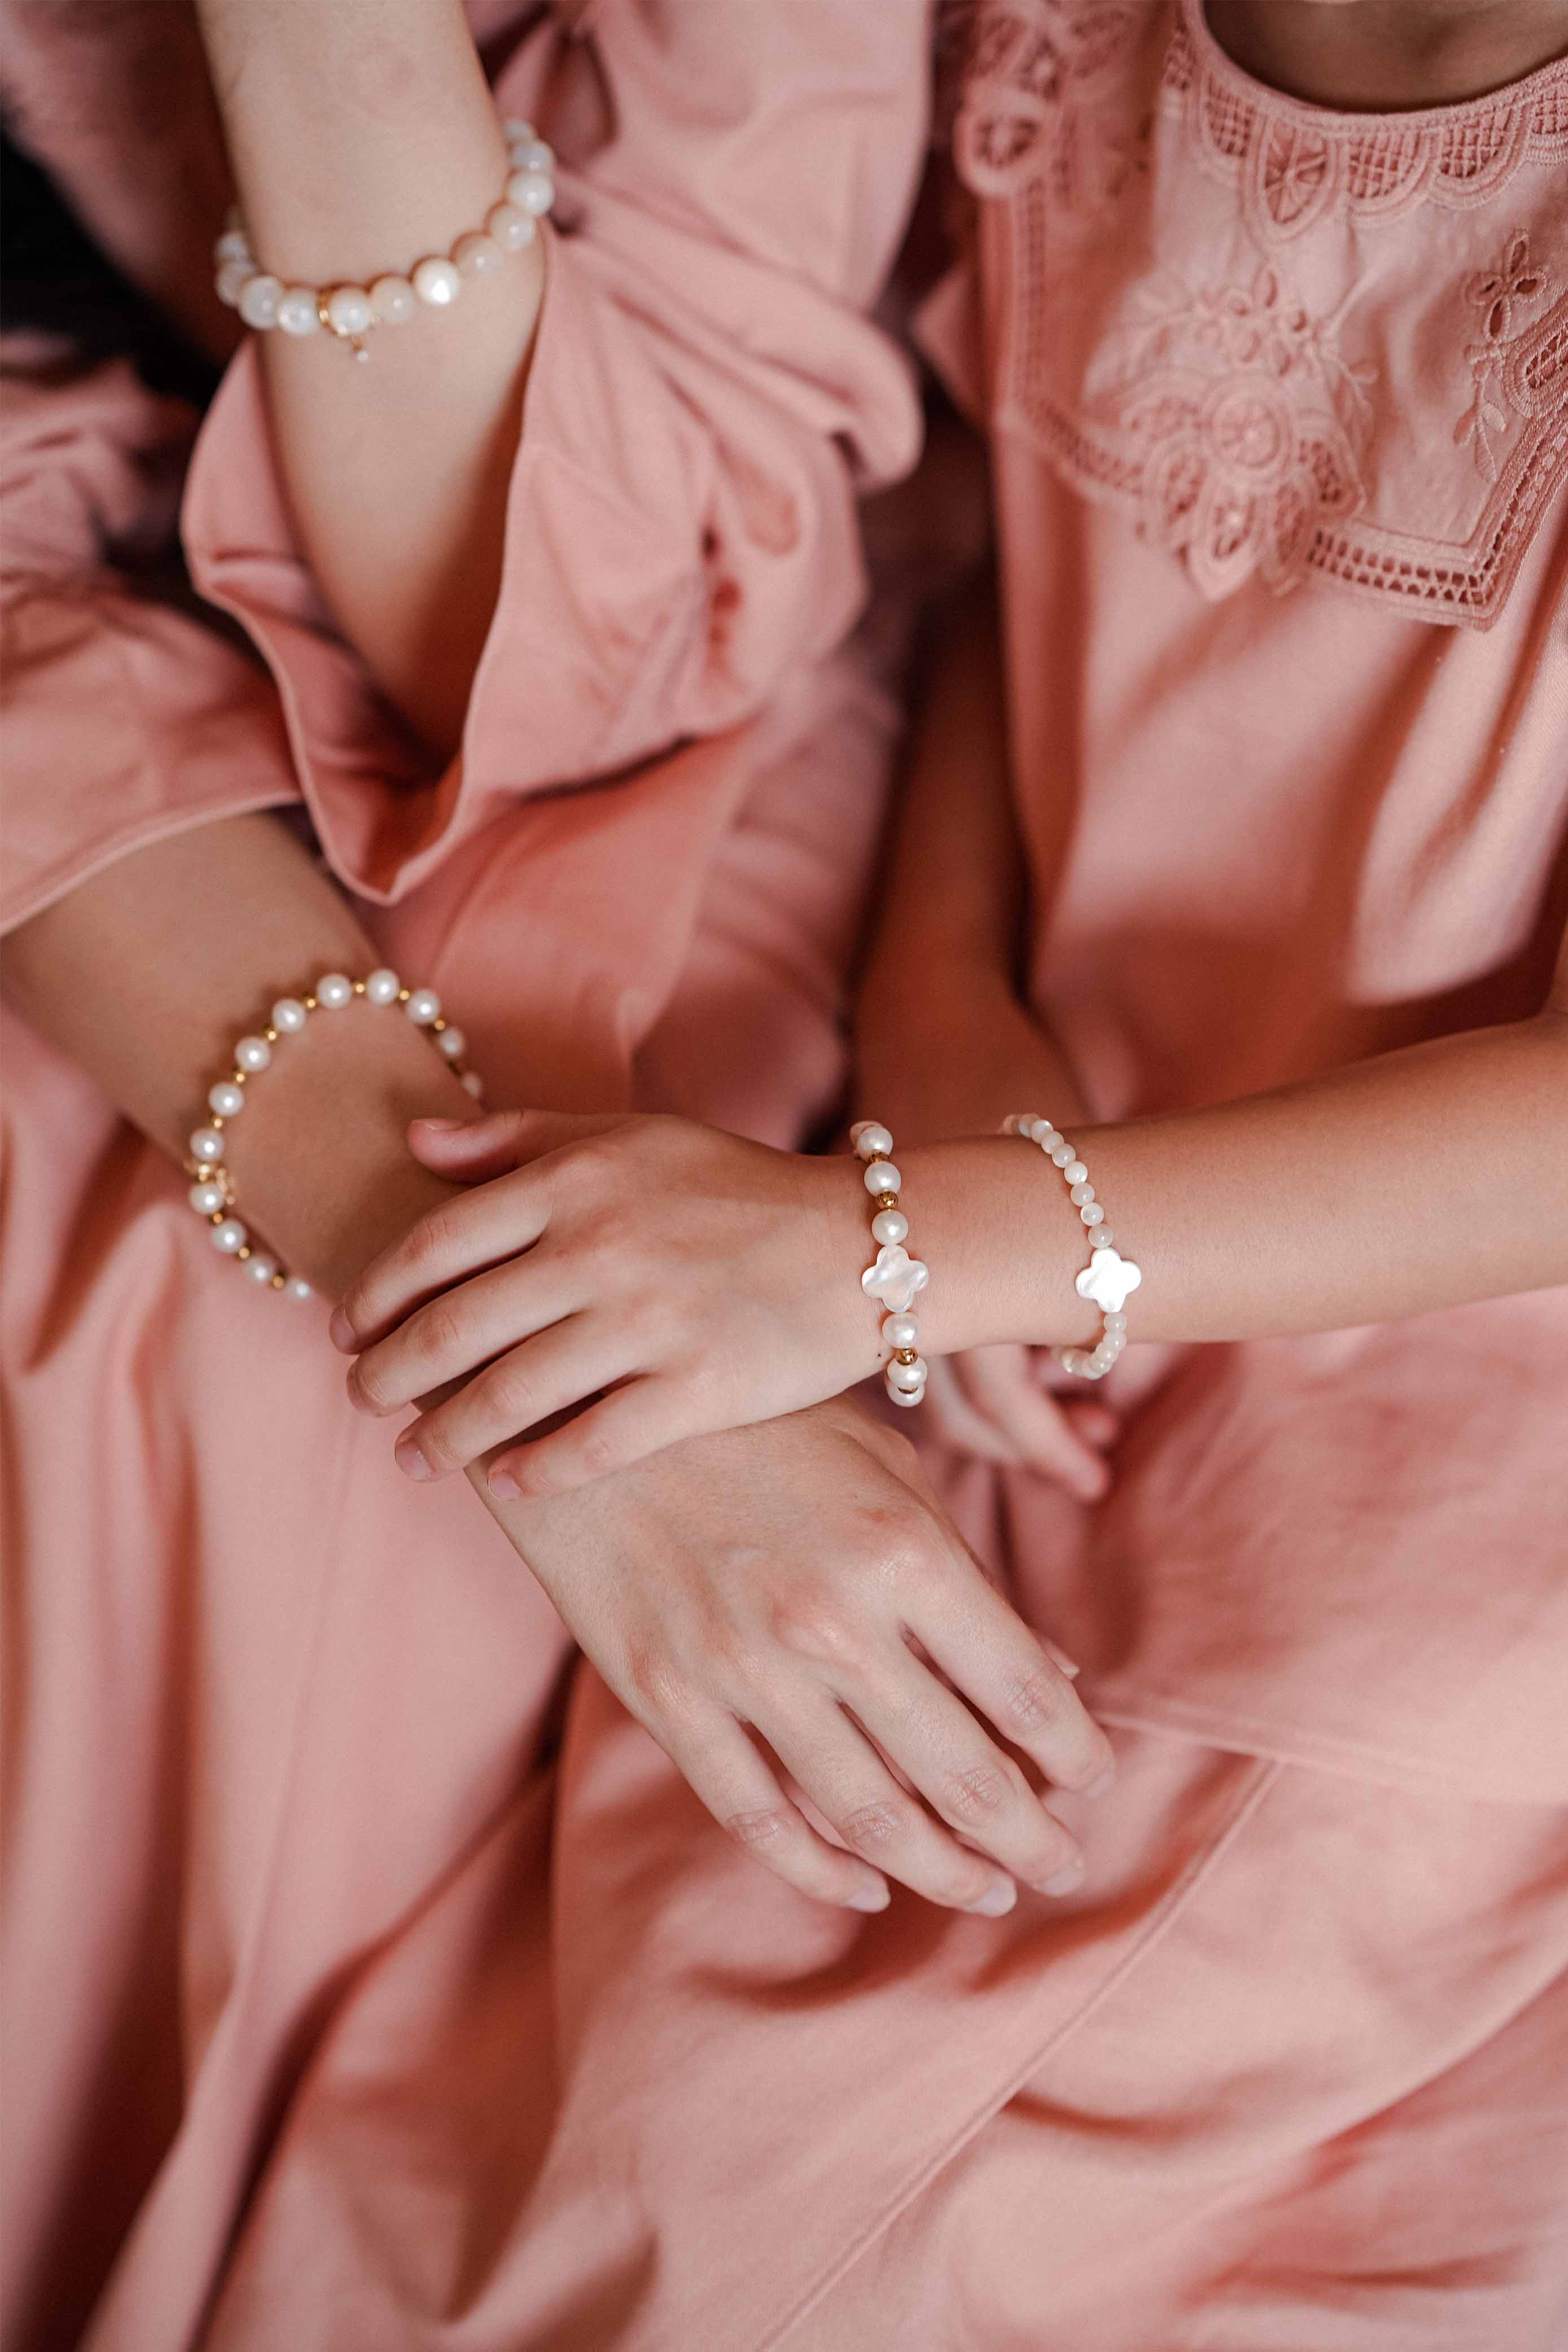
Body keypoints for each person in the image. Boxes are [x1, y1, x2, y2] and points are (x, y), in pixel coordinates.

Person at [325, 1, 1568, 2342]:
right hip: (999, 1321)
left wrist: (888, 1251)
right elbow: (1035, 544)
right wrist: (936, 1010)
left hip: (1429, 1521)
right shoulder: (1061, 25)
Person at [3, 8, 1122, 2350]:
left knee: (291, 1451)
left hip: (670, 674)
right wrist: (505, 1335)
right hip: (103, 756)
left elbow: (567, 646)